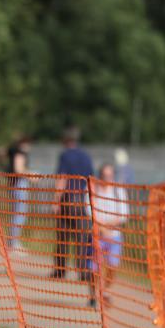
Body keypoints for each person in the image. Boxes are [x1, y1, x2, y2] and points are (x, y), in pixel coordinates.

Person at [51, 125, 95, 301]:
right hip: (82, 201)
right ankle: (83, 269)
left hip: (67, 200)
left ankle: (60, 269)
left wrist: (55, 200)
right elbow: (91, 179)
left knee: (63, 235)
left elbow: (62, 178)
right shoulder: (86, 156)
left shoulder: (65, 155)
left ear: (65, 140)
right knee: (82, 237)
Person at [90, 162, 128, 308]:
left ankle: (105, 291)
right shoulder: (93, 189)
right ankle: (94, 294)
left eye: (110, 175)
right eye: (105, 175)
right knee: (94, 268)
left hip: (115, 235)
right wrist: (101, 228)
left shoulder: (119, 191)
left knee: (113, 266)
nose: (107, 178)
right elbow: (90, 211)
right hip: (97, 235)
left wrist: (109, 227)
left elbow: (123, 214)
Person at [5, 135, 32, 251]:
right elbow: (19, 170)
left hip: (13, 184)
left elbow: (0, 152)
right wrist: (31, 175)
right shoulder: (20, 153)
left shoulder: (12, 151)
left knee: (17, 213)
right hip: (19, 184)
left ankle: (12, 241)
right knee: (19, 214)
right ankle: (13, 243)